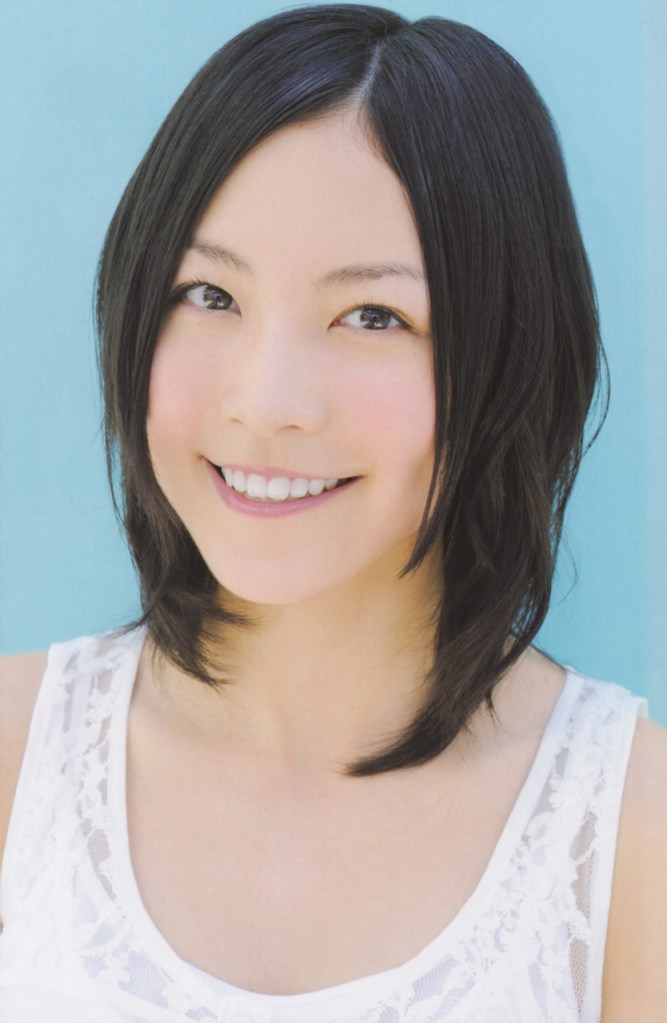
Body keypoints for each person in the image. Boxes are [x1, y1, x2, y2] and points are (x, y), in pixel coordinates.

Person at [0, 5, 665, 1020]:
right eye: (209, 295)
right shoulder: (16, 755)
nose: (266, 402)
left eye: (372, 316)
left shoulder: (630, 835)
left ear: (508, 354)